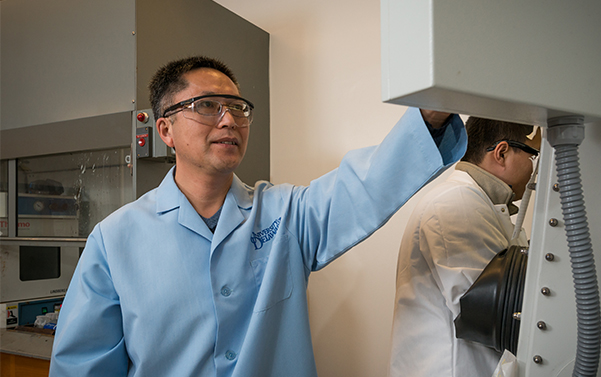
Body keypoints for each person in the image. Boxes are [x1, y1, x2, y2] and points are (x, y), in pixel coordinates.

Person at [49, 56, 468, 377]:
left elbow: (365, 187)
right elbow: (83, 365)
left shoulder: (285, 213)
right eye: (207, 105)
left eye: (238, 107)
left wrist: (430, 111)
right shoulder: (115, 238)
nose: (229, 119)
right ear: (165, 131)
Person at [388, 117, 541, 377]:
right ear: (502, 153)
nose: (534, 168)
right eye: (532, 156)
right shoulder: (457, 202)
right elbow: (497, 313)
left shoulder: (480, 203)